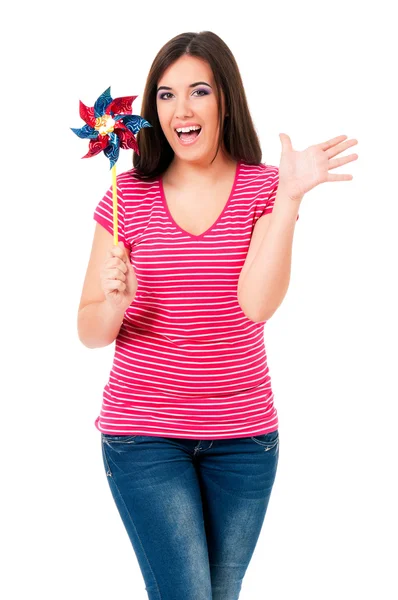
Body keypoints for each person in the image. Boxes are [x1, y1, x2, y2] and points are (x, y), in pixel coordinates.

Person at [77, 30, 358, 600]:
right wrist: (114, 302)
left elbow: (257, 304)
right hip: (144, 437)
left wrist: (290, 199)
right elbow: (89, 332)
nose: (181, 109)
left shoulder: (265, 189)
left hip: (244, 440)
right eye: (165, 94)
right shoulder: (126, 193)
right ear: (152, 110)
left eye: (198, 91)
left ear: (225, 98)